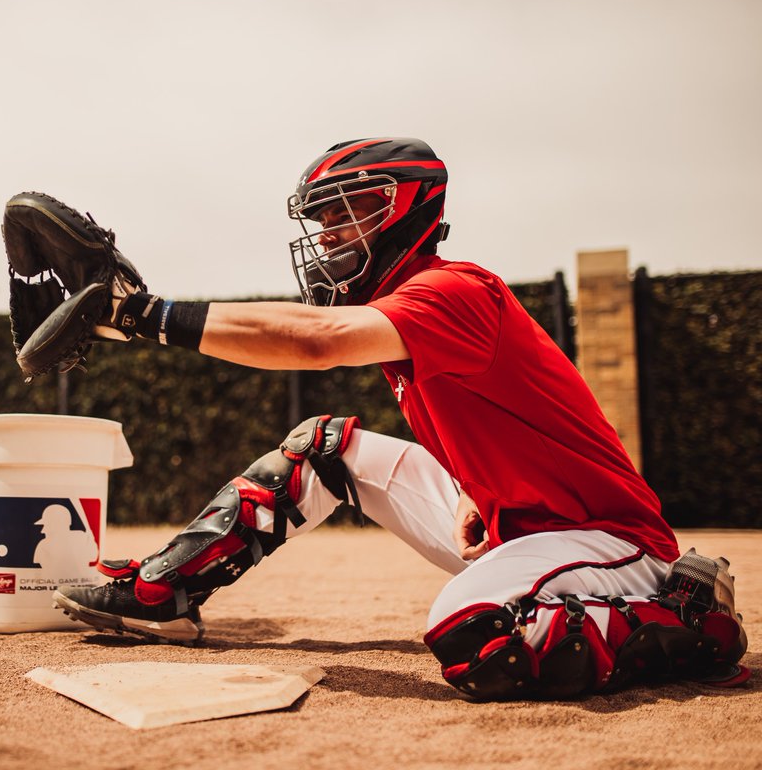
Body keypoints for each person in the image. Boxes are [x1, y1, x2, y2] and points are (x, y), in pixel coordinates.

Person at [52, 137, 748, 700]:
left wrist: (142, 314)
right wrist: (473, 489)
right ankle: (165, 594)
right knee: (325, 448)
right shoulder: (411, 309)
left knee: (474, 633)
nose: (326, 235)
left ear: (403, 208)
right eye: (320, 221)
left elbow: (313, 341)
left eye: (343, 213)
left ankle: (686, 612)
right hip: (521, 530)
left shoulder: (450, 289)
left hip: (611, 539)